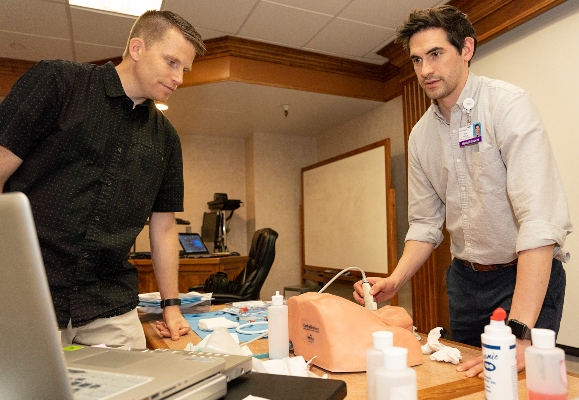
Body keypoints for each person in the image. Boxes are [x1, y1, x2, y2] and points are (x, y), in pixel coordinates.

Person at [353, 5, 572, 379]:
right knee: (468, 379)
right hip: (466, 283)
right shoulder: (421, 135)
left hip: (524, 275)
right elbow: (424, 224)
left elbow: (538, 220)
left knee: (516, 380)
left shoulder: (507, 105)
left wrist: (519, 332)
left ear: (466, 49)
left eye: (436, 54)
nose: (424, 70)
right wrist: (395, 279)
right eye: (417, 60)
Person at [0, 10, 206, 348]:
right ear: (137, 48)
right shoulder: (59, 82)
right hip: (29, 294)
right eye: (171, 62)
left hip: (110, 303)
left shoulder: (166, 138)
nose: (179, 78)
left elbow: (164, 226)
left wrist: (171, 306)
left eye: (183, 69)